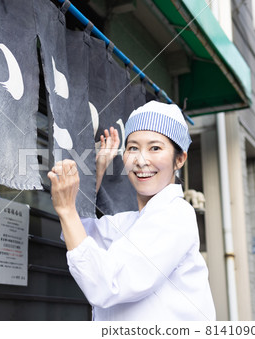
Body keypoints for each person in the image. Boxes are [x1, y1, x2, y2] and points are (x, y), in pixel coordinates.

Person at [47, 100, 216, 321]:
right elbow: (80, 233)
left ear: (180, 159)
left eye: (155, 148)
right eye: (133, 148)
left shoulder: (175, 215)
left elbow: (108, 284)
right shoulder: (130, 222)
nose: (141, 160)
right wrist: (98, 170)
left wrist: (67, 209)